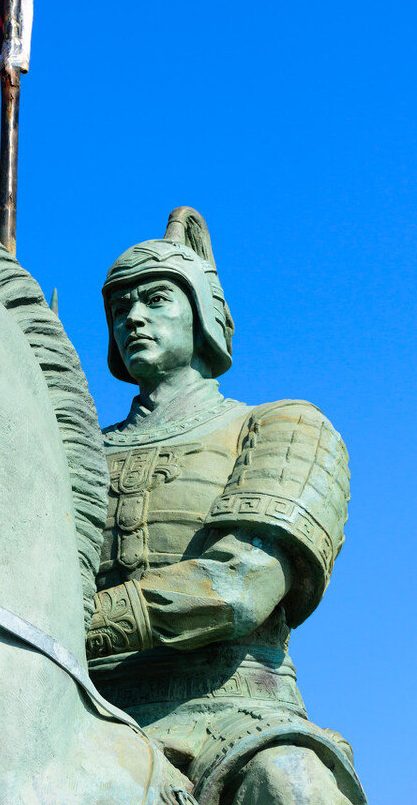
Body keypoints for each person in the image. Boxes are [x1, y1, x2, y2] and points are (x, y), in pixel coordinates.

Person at [86, 208, 366, 805]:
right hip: (87, 715)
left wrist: (73, 626)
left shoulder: (283, 425)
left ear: (203, 315)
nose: (133, 316)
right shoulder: (75, 458)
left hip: (233, 714)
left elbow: (241, 586)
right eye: (119, 308)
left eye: (156, 298)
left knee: (293, 785)